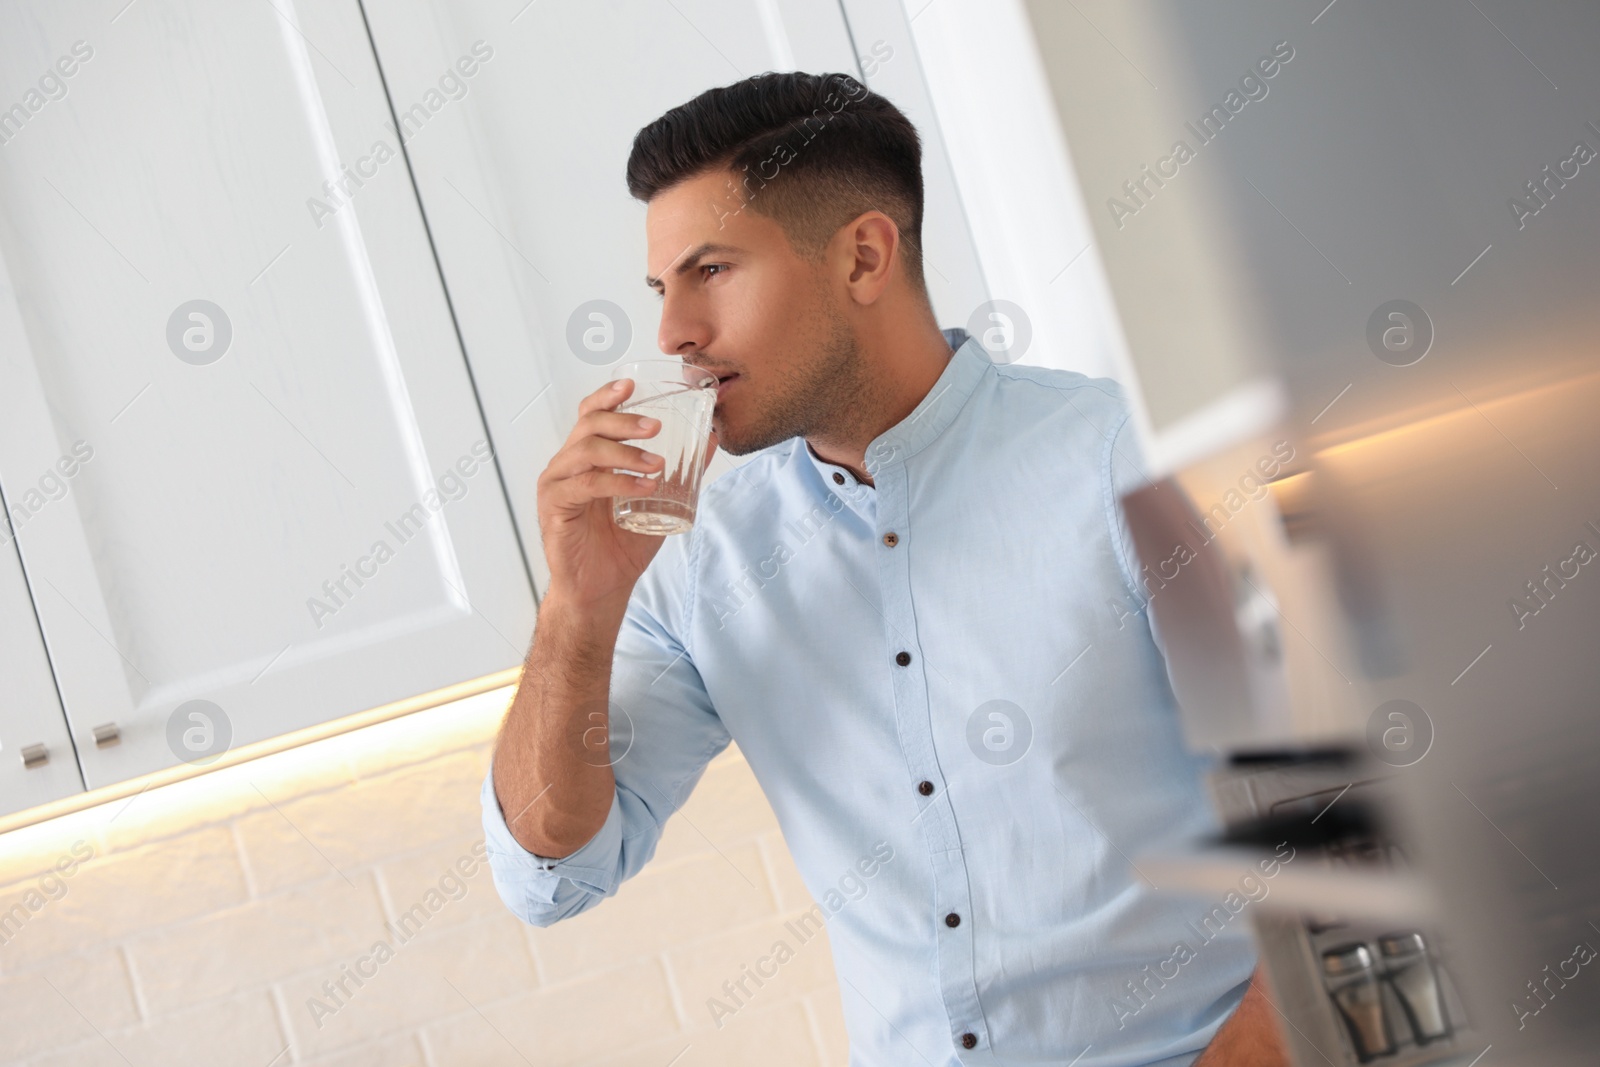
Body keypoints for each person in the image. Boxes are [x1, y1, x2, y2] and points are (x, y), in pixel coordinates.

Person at [482, 70, 1289, 1066]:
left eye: (712, 271)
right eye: (662, 288)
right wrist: (576, 604)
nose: (671, 334)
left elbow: (1343, 802)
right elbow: (551, 872)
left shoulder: (1122, 461)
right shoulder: (696, 565)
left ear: (863, 255)